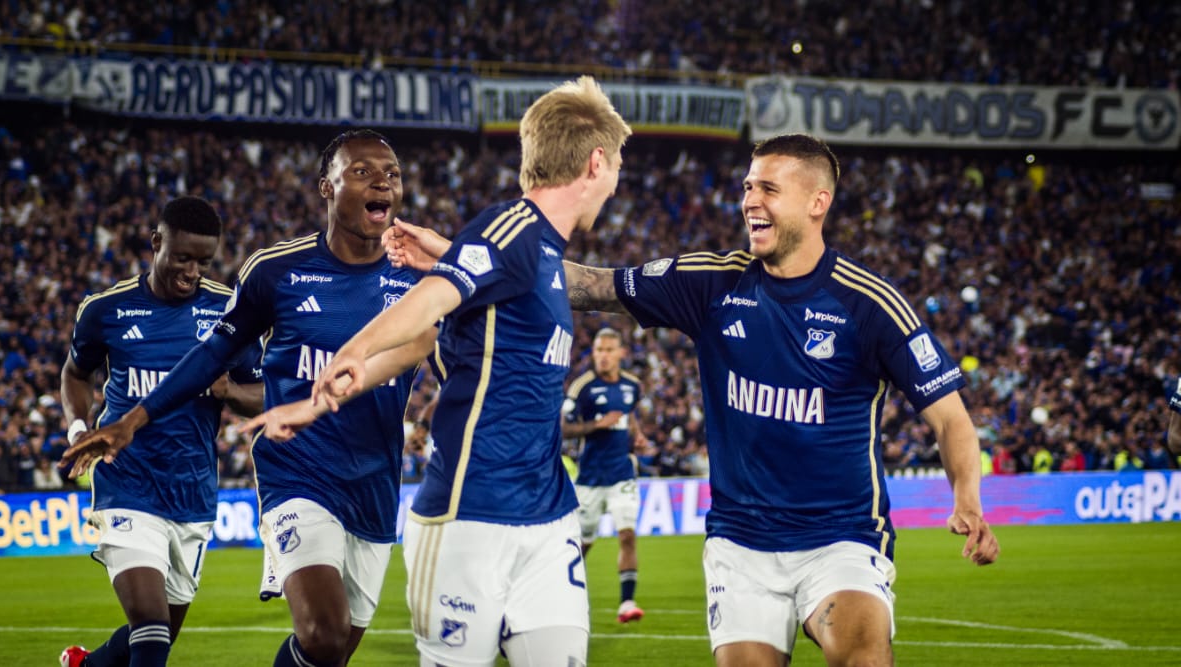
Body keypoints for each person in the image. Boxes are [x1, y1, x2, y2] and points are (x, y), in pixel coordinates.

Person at [387, 133, 999, 666]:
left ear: (818, 203)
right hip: (740, 543)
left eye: (768, 189)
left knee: (863, 657)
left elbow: (950, 417)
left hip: (840, 539)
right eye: (747, 186)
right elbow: (591, 284)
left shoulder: (869, 303)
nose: (750, 201)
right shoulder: (711, 281)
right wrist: (457, 254)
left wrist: (967, 499)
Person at [256, 76, 632, 667]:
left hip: (548, 515)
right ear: (596, 162)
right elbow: (429, 303)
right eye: (618, 166)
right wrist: (351, 354)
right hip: (469, 516)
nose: (617, 182)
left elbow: (433, 336)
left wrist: (320, 397)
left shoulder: (541, 254)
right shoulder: (509, 230)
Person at [65, 130, 434, 667]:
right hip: (297, 473)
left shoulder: (420, 278)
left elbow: (452, 356)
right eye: (361, 171)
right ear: (325, 189)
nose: (382, 180)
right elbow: (211, 354)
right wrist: (132, 421)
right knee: (324, 632)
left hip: (376, 482)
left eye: (392, 173)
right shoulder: (275, 271)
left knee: (329, 653)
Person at [56, 195, 265, 667]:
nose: (191, 271)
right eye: (182, 257)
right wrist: (76, 428)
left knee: (156, 634)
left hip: (191, 491)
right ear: (156, 243)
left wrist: (229, 391)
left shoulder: (227, 315)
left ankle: (86, 665)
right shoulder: (105, 310)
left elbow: (267, 395)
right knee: (150, 630)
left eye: (203, 261)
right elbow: (74, 373)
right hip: (126, 483)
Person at [561, 327, 648, 624]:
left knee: (627, 534)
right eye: (599, 350)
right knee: (582, 542)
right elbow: (564, 428)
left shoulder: (632, 385)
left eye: (609, 350)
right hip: (590, 477)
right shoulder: (581, 388)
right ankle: (561, 590)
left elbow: (630, 413)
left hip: (622, 473)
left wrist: (637, 436)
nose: (603, 356)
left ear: (621, 353)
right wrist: (597, 424)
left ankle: (627, 602)